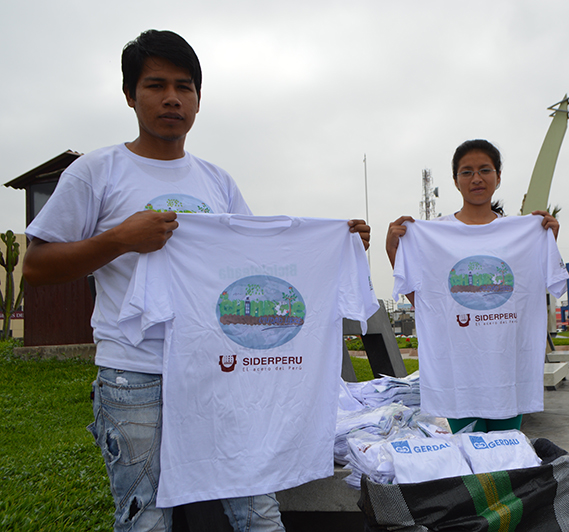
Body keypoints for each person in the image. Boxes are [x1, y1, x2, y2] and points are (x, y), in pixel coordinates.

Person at [23, 30, 370, 532]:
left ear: (199, 100)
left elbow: (257, 264)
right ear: (129, 95)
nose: (171, 98)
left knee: (256, 508)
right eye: (155, 85)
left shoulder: (217, 181)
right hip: (136, 373)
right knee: (146, 517)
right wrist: (120, 239)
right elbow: (36, 266)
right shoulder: (97, 171)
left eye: (184, 87)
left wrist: (338, 246)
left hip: (219, 373)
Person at [386, 139, 562, 433]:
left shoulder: (524, 232)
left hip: (508, 373)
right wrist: (393, 249)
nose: (476, 178)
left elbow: (538, 285)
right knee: (469, 458)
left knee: (505, 456)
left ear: (499, 176)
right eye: (466, 172)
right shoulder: (434, 235)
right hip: (460, 379)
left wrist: (547, 241)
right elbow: (425, 300)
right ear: (455, 181)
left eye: (485, 170)